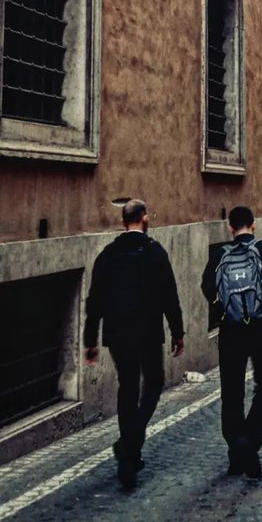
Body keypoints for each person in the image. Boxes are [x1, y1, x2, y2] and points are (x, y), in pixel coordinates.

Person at [83, 199, 184, 489]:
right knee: (154, 383)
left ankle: (129, 449)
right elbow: (170, 295)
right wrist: (178, 331)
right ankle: (129, 445)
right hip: (149, 332)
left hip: (117, 334)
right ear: (143, 218)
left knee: (128, 387)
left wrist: (91, 339)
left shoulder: (108, 255)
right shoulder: (155, 253)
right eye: (148, 215)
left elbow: (95, 301)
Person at [201, 205, 262, 480]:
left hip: (230, 331)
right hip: (260, 330)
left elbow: (207, 288)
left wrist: (227, 306)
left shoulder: (220, 255)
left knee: (231, 393)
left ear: (231, 228)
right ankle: (249, 443)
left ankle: (238, 448)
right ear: (253, 225)